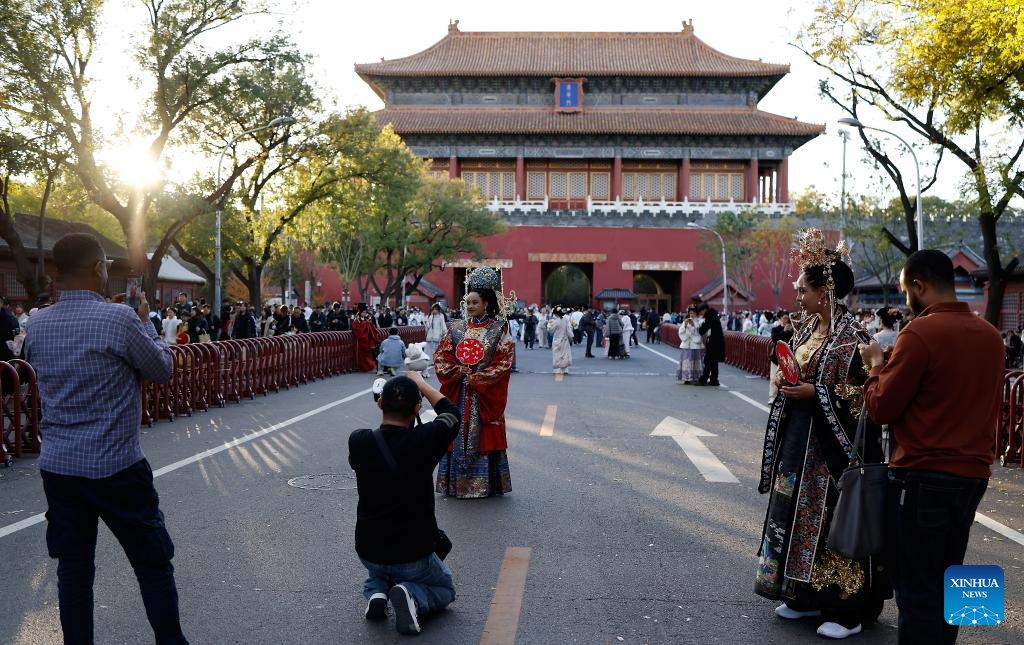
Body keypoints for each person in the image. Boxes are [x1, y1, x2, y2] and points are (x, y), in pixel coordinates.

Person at [24, 233, 187, 644]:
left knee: (74, 572)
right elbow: (162, 368)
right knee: (152, 563)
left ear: (57, 273)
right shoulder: (121, 320)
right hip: (117, 466)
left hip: (60, 468)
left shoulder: (38, 324)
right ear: (99, 269)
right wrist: (146, 320)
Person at [860, 250, 1004, 644]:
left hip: (922, 475)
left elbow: (881, 408)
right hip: (973, 475)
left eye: (907, 290)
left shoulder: (920, 333)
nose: (906, 299)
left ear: (919, 286)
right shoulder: (991, 337)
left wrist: (876, 365)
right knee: (952, 580)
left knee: (917, 589)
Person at [755, 229, 888, 640]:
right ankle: (802, 595)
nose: (797, 295)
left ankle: (845, 609)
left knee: (832, 520)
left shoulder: (855, 339)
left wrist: (817, 392)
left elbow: (862, 398)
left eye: (802, 288)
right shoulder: (806, 328)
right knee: (792, 513)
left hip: (832, 451)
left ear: (825, 289)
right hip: (798, 441)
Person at [349, 372, 460, 635]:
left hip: (368, 550)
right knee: (445, 590)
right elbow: (451, 413)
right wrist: (422, 384)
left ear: (380, 404)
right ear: (417, 407)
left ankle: (377, 592)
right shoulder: (426, 439)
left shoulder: (359, 440)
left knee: (382, 569)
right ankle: (412, 596)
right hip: (412, 555)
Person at [434, 267, 515, 498]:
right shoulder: (456, 328)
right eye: (467, 302)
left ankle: (485, 485)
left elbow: (504, 360)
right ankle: (455, 484)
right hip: (459, 391)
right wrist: (457, 371)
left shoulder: (499, 329)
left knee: (484, 434)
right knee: (455, 429)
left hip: (483, 394)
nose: (469, 306)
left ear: (486, 304)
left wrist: (479, 377)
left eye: (474, 302)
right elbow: (441, 355)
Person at [768, 313, 794, 402]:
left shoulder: (792, 330)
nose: (786, 320)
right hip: (776, 357)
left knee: (787, 379)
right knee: (774, 378)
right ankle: (772, 397)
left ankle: (784, 398)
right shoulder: (775, 329)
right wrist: (784, 331)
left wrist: (790, 331)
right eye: (784, 318)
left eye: (787, 318)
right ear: (780, 319)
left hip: (787, 358)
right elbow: (775, 339)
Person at [696, 302, 724, 386]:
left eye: (700, 312)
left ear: (704, 310)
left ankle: (703, 380)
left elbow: (702, 330)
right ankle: (714, 380)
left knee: (708, 361)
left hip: (713, 342)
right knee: (713, 362)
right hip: (717, 341)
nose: (700, 314)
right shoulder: (713, 315)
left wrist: (699, 327)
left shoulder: (710, 316)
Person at [676, 305, 704, 383]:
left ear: (696, 314)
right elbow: (680, 331)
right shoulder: (686, 321)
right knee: (686, 361)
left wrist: (693, 325)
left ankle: (696, 377)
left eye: (693, 313)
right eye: (690, 313)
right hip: (687, 344)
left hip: (695, 344)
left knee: (695, 361)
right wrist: (685, 325)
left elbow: (700, 332)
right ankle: (686, 378)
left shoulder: (699, 321)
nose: (692, 315)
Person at [352, 305, 380, 372]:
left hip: (367, 339)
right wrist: (366, 324)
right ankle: (360, 367)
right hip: (360, 340)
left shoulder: (366, 319)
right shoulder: (357, 320)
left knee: (367, 354)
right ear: (360, 312)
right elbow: (356, 329)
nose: (364, 313)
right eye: (363, 312)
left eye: (365, 312)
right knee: (360, 354)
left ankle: (367, 367)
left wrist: (367, 323)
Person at [548, 306, 573, 375]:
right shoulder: (565, 319)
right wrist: (571, 336)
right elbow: (568, 329)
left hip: (557, 339)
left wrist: (549, 325)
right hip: (565, 339)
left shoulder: (556, 321)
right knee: (565, 354)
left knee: (557, 354)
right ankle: (565, 369)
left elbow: (551, 331)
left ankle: (558, 369)